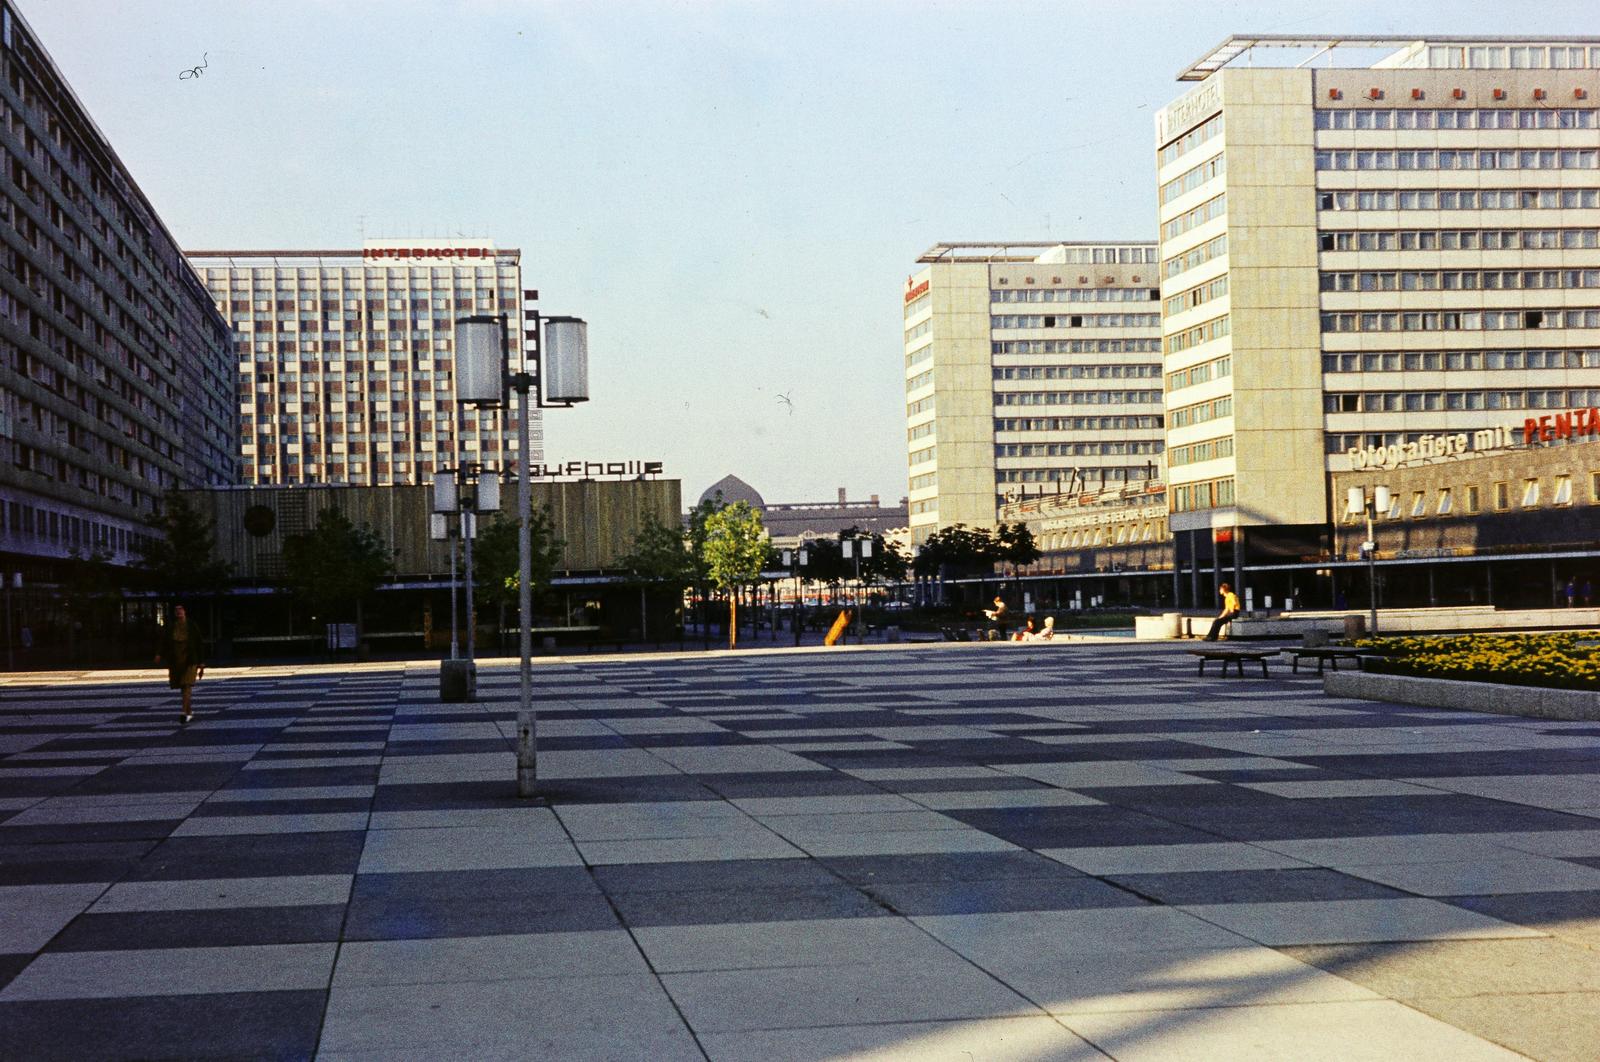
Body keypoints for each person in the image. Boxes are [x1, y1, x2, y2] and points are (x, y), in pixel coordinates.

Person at [155, 604, 206, 724]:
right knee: (183, 687)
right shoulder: (172, 627)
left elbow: (199, 643)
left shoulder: (192, 626)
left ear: (185, 612)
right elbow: (165, 642)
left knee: (187, 685)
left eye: (181, 610)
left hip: (190, 660)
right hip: (176, 662)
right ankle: (189, 712)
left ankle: (183, 712)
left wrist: (201, 663)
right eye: (176, 610)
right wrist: (159, 654)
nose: (179, 612)